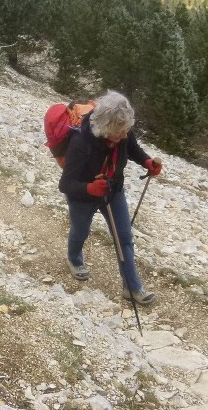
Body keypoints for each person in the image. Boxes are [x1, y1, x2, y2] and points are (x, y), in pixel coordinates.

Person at [58, 90, 163, 305]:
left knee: (124, 237)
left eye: (127, 130)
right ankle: (74, 259)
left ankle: (132, 288)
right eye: (120, 132)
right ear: (106, 128)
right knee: (81, 231)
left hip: (113, 190)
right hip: (83, 197)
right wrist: (90, 189)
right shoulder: (80, 142)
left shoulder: (123, 132)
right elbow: (66, 184)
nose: (125, 135)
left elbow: (133, 149)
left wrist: (147, 162)